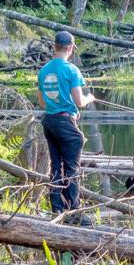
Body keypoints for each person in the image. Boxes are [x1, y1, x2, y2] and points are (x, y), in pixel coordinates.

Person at [37, 30, 96, 224]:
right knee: (71, 168)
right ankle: (74, 213)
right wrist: (90, 98)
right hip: (64, 122)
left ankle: (57, 209)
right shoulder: (72, 70)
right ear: (70, 48)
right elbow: (79, 101)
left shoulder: (44, 71)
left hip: (50, 122)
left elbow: (43, 103)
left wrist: (66, 107)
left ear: (54, 46)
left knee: (56, 167)